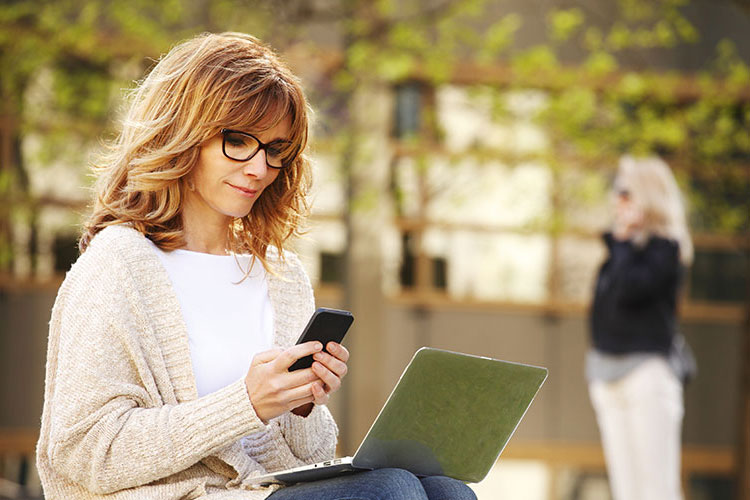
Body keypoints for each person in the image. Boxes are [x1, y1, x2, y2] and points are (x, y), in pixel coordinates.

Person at [36, 32, 477, 500]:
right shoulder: (117, 266)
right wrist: (245, 403)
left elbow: (306, 461)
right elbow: (85, 454)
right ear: (182, 133)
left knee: (446, 490)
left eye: (274, 149)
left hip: (259, 492)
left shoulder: (281, 277)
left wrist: (301, 405)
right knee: (389, 490)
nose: (259, 168)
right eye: (238, 141)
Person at [586, 155, 694, 500]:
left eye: (625, 192)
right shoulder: (619, 251)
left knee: (655, 488)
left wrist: (622, 243)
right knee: (625, 488)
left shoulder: (665, 249)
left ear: (647, 196)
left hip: (646, 374)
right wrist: (620, 243)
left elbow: (633, 290)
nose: (617, 200)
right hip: (606, 374)